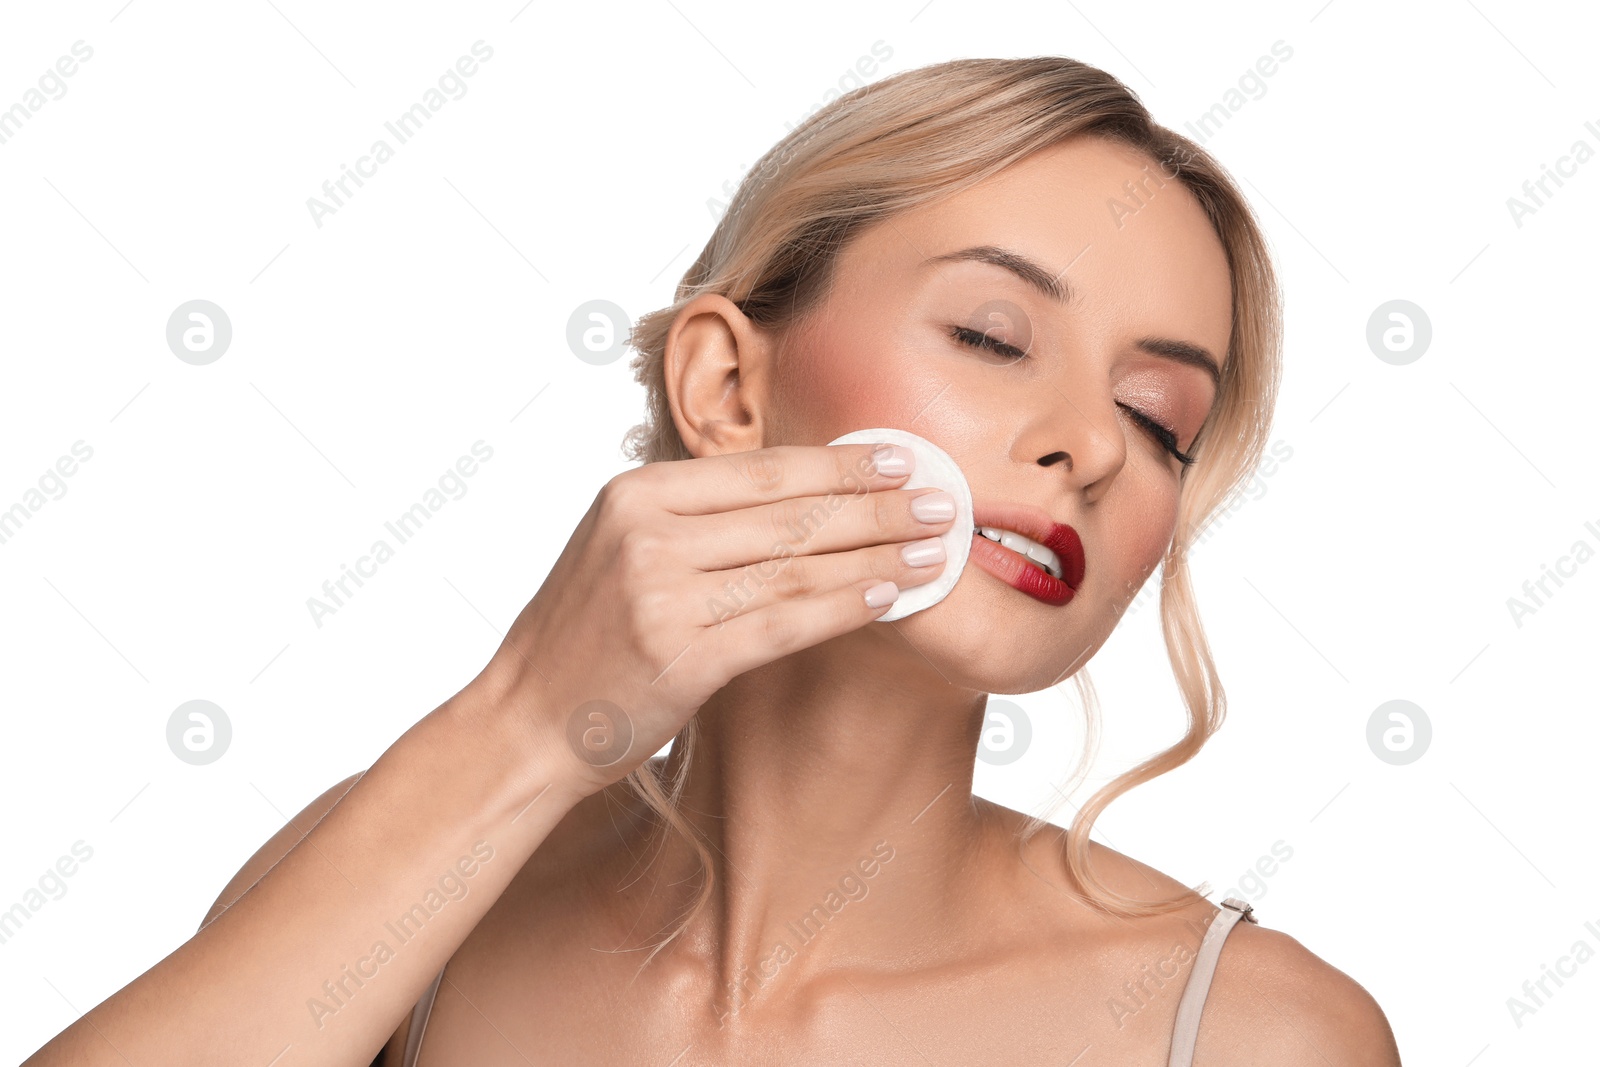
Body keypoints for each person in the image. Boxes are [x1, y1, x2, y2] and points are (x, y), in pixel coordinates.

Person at [25, 56, 1401, 1065]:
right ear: (726, 387)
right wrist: (526, 724)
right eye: (991, 336)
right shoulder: (408, 883)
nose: (1089, 447)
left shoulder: (1247, 1035)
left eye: (1161, 420)